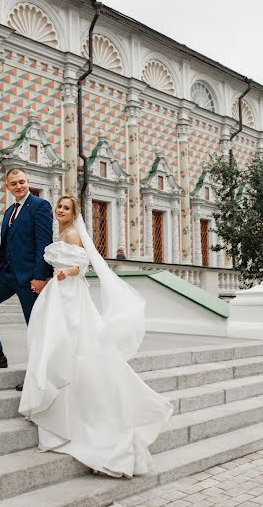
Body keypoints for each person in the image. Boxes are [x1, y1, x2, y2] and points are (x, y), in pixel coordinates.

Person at [19, 195, 173, 477]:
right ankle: (51, 390)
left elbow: (81, 265)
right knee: (50, 340)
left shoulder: (74, 233)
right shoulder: (63, 232)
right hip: (58, 292)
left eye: (65, 208)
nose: (60, 211)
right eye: (59, 207)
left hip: (69, 294)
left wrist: (65, 272)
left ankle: (63, 399)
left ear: (74, 212)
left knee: (64, 342)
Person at [0, 168, 53, 385]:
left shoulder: (40, 206)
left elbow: (43, 243)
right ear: (7, 187)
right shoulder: (9, 211)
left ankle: (38, 374)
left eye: (22, 182)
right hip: (6, 274)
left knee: (34, 325)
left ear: (29, 182)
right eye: (14, 183)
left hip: (29, 277)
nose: (19, 186)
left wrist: (40, 276)